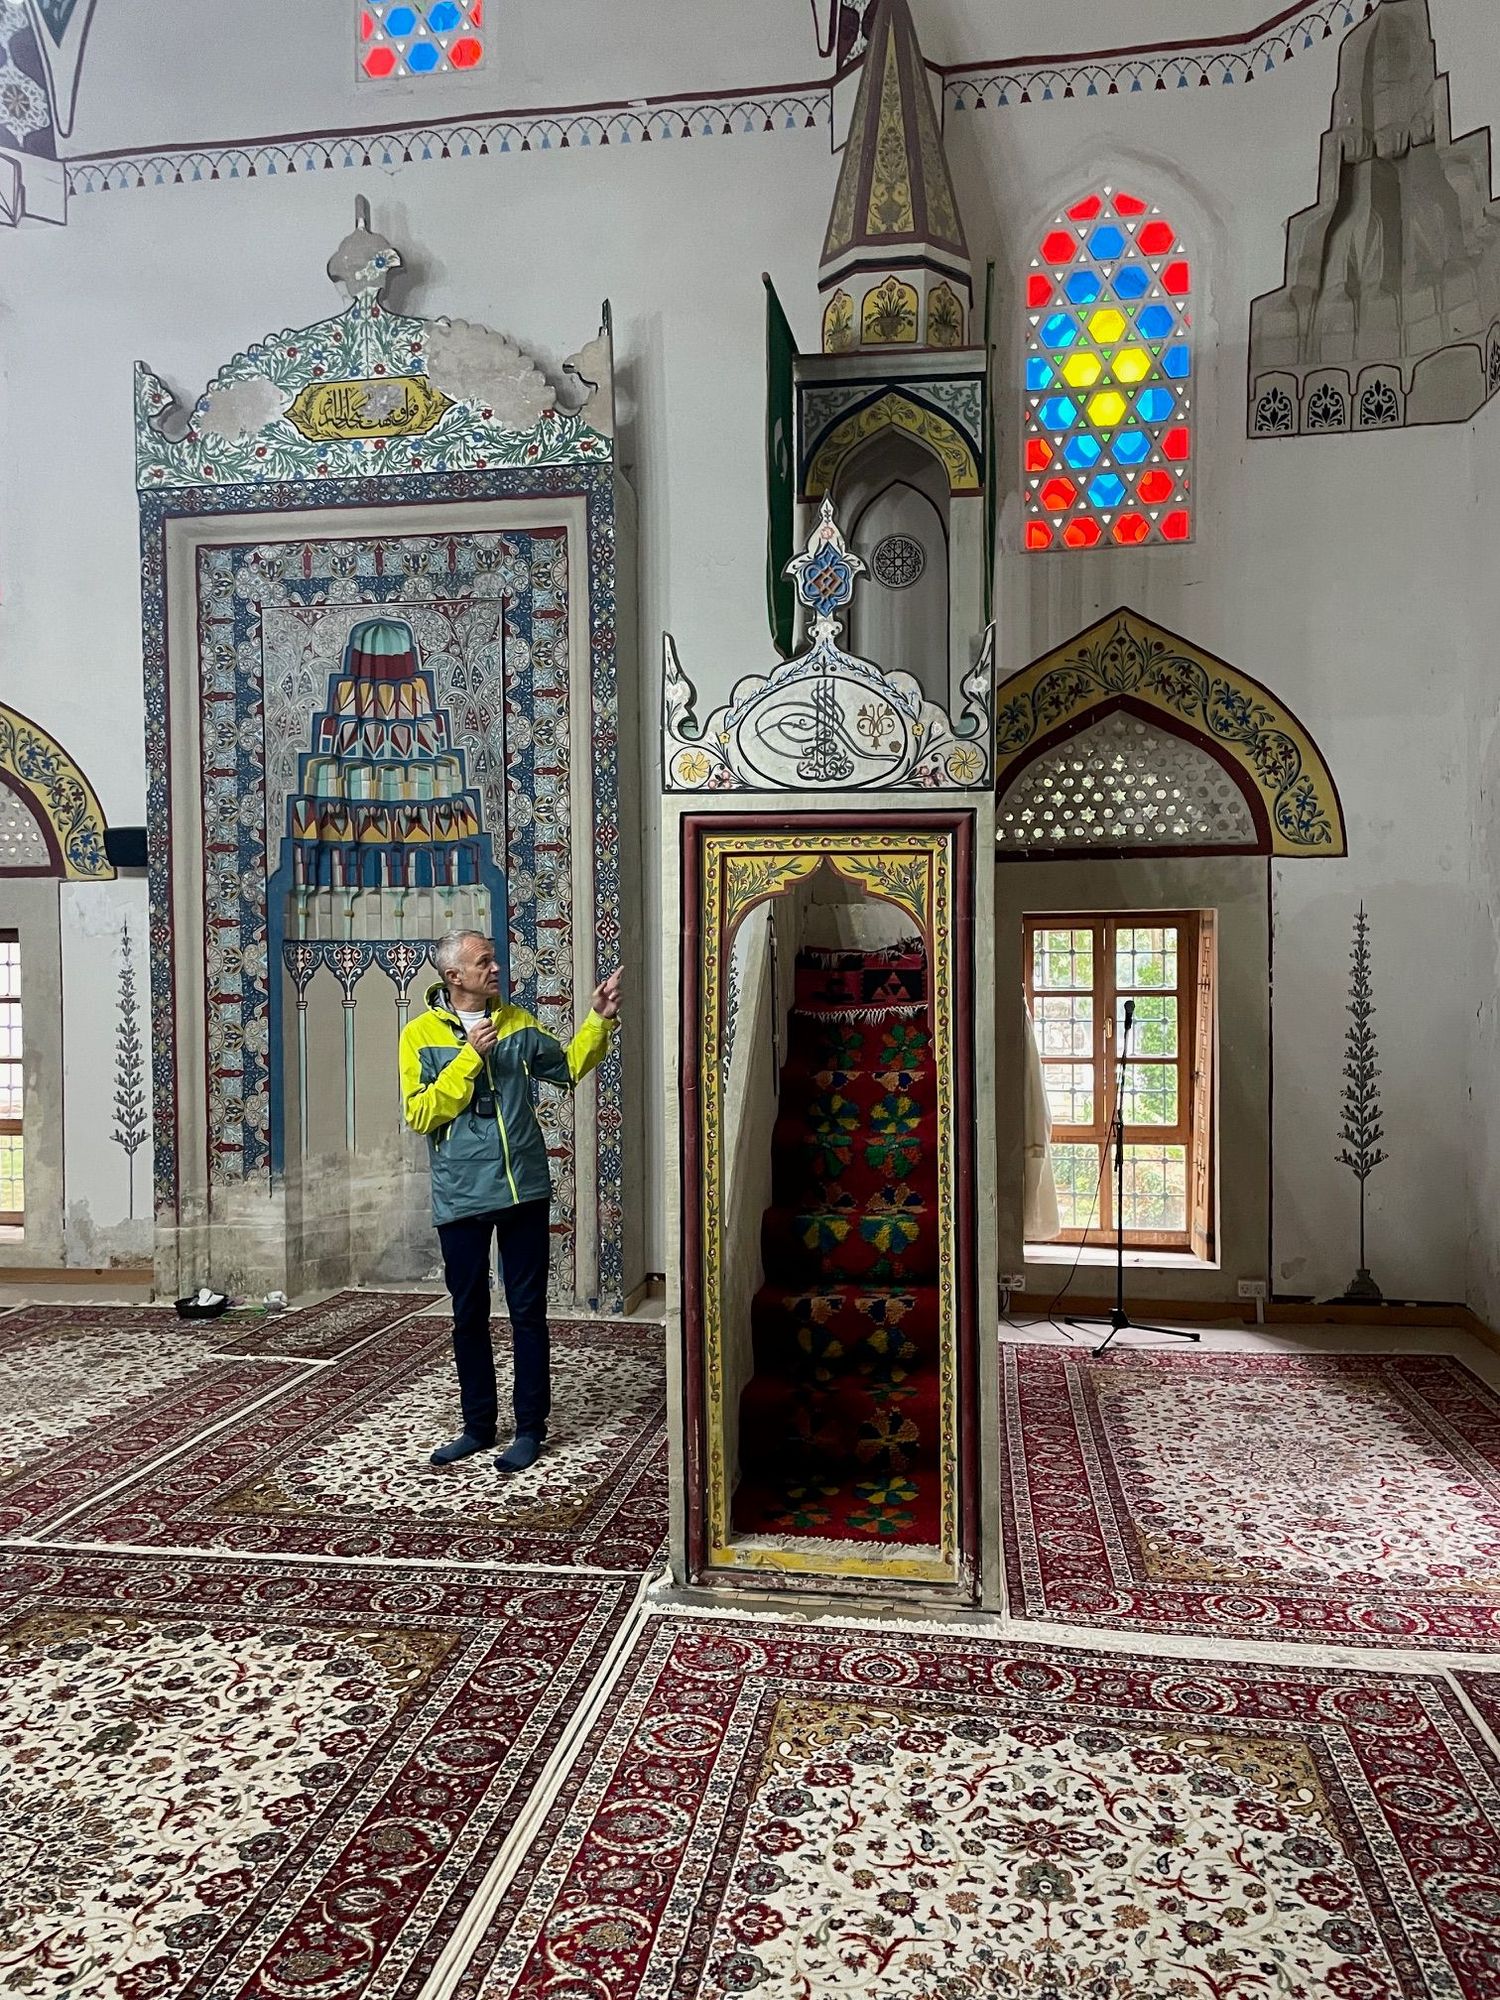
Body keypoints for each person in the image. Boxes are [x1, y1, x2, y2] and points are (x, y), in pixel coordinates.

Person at [400, 929, 622, 1471]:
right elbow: (421, 1113)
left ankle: (529, 1429)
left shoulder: (517, 1023)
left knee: (528, 1314)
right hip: (462, 1195)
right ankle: (477, 1426)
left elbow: (567, 1067)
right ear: (454, 976)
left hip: (524, 1189)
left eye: (494, 959)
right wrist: (468, 1059)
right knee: (469, 1316)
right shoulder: (419, 1035)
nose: (496, 967)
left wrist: (598, 1019)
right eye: (484, 961)